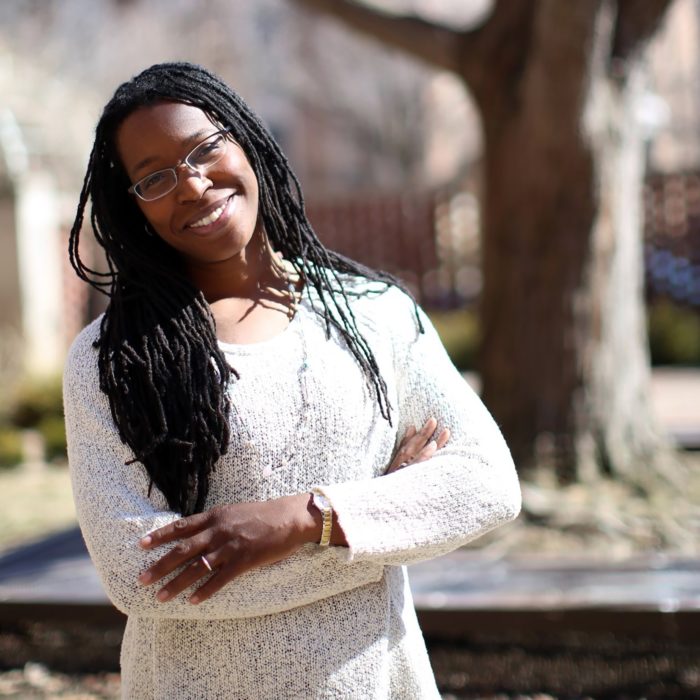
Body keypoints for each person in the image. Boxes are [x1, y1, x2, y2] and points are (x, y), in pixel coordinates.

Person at [63, 61, 521, 700]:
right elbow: (137, 575)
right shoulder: (112, 359)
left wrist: (306, 519)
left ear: (248, 141)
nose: (191, 183)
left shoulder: (375, 314)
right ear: (133, 204)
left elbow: (487, 484)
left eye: (205, 149)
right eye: (154, 177)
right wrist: (380, 518)